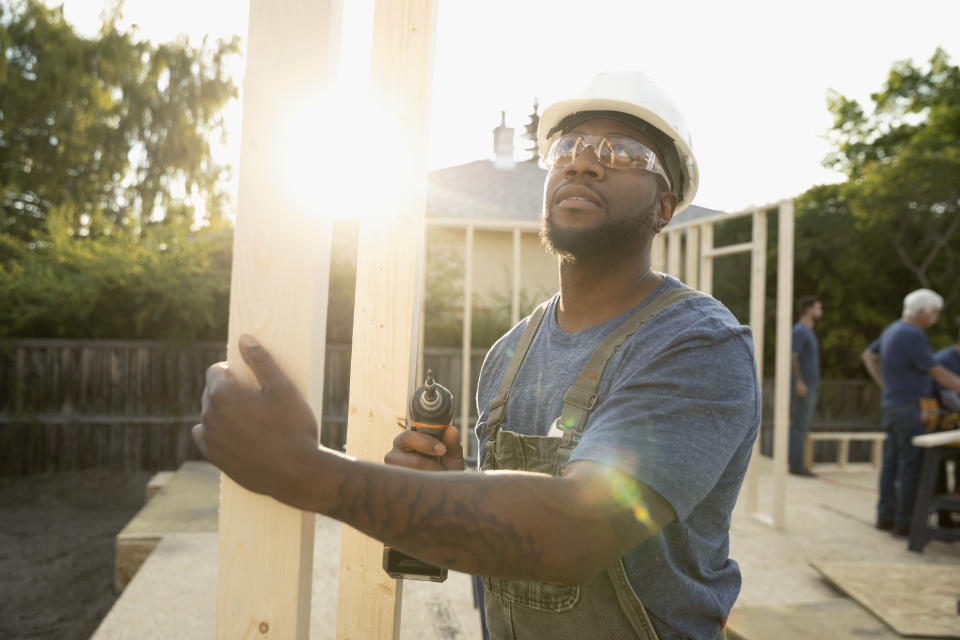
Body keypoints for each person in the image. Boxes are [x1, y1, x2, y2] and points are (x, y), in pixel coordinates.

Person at [193, 71, 760, 640]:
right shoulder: (510, 353)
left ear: (664, 208)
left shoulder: (697, 345)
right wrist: (445, 485)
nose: (583, 163)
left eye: (623, 152)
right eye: (569, 146)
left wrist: (303, 470)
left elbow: (571, 533)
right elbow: (509, 533)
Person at [861, 290, 960, 538]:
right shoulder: (913, 335)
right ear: (923, 311)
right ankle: (906, 523)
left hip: (892, 405)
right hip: (911, 408)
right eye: (934, 312)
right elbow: (938, 372)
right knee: (911, 467)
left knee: (891, 464)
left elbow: (869, 356)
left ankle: (885, 517)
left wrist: (886, 385)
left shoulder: (892, 329)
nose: (935, 318)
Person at [789, 296, 823, 477]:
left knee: (803, 424)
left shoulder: (808, 331)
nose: (821, 312)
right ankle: (796, 464)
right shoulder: (800, 331)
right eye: (819, 308)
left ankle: (799, 459)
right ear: (809, 310)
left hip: (811, 384)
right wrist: (799, 381)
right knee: (799, 424)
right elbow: (793, 356)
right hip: (804, 385)